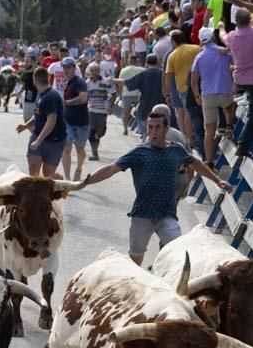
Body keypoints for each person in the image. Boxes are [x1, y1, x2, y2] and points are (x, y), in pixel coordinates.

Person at [80, 110, 231, 266]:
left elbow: (195, 163)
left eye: (157, 127)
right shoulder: (139, 152)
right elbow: (111, 169)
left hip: (166, 214)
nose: (153, 132)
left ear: (166, 129)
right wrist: (85, 182)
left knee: (178, 253)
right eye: (150, 127)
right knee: (135, 260)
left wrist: (217, 180)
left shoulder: (176, 150)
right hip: (142, 215)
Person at [223, 7, 253, 160]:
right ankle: (243, 146)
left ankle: (244, 142)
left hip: (241, 80)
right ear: (250, 19)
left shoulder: (232, 36)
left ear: (236, 22)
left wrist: (221, 27)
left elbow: (223, 36)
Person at [190, 27, 235, 167]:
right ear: (213, 38)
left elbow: (193, 80)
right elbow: (235, 64)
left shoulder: (199, 57)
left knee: (209, 131)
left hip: (207, 95)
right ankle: (228, 125)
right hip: (225, 92)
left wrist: (196, 95)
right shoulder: (224, 52)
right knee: (230, 106)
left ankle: (209, 160)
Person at [16, 66, 67, 178]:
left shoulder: (51, 96)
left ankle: (57, 179)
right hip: (37, 135)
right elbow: (37, 114)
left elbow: (51, 121)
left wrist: (39, 140)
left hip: (54, 140)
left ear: (35, 80)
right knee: (34, 174)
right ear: (48, 78)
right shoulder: (41, 94)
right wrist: (25, 125)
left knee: (47, 176)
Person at [61, 57, 90, 181]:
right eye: (64, 67)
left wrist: (66, 102)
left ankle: (78, 168)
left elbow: (83, 98)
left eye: (68, 67)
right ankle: (67, 179)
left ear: (74, 68)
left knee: (80, 151)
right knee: (66, 148)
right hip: (68, 122)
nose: (66, 70)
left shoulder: (80, 82)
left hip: (82, 123)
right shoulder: (67, 82)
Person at [85, 62, 114, 161]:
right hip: (91, 110)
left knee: (101, 131)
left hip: (102, 110)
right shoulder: (87, 83)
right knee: (91, 132)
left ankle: (97, 137)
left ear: (99, 71)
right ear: (89, 72)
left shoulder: (105, 82)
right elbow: (84, 96)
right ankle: (95, 153)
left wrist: (110, 105)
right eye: (92, 70)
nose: (94, 72)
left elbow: (112, 94)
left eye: (96, 70)